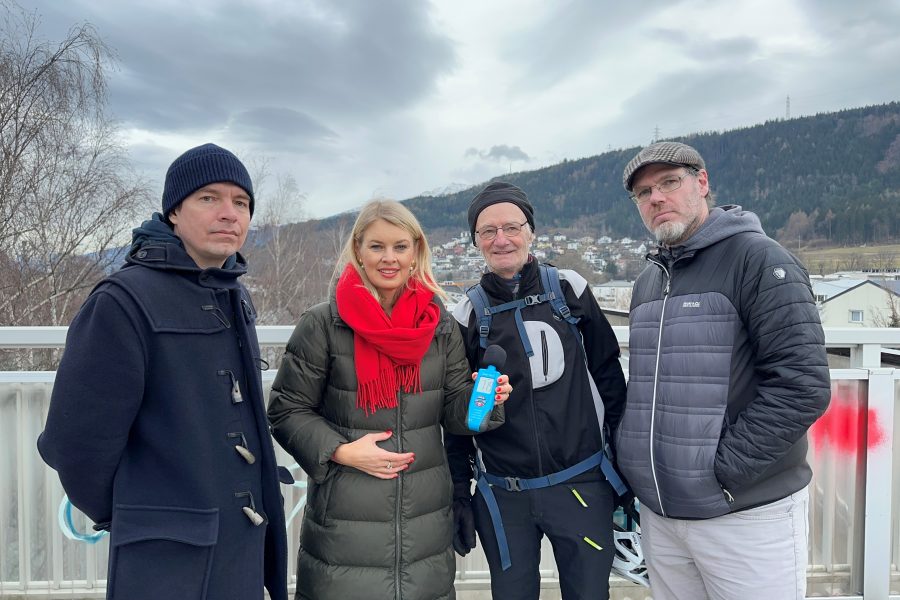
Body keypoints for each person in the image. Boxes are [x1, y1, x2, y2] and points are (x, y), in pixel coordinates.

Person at [37, 143, 288, 600]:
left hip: (239, 551)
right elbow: (74, 445)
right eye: (209, 198)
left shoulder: (234, 296)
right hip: (167, 566)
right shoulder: (122, 302)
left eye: (242, 202)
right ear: (174, 211)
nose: (230, 213)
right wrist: (144, 518)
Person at [267, 199, 512, 600]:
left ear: (416, 251)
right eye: (377, 246)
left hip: (424, 524)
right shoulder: (324, 324)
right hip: (345, 523)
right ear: (358, 251)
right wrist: (342, 451)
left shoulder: (438, 324)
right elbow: (286, 410)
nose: (389, 258)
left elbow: (454, 412)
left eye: (400, 246)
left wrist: (487, 401)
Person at [617, 141, 831, 599]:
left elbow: (802, 385)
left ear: (703, 182)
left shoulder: (759, 260)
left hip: (745, 514)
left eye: (669, 183)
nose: (656, 198)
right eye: (643, 192)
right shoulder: (649, 280)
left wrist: (720, 471)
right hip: (663, 515)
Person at [445, 182, 628, 600]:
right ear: (475, 241)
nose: (501, 239)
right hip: (504, 495)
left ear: (531, 231)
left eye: (511, 226)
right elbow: (456, 414)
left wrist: (625, 469)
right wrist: (458, 492)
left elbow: (610, 382)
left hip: (580, 483)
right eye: (487, 231)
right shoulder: (465, 315)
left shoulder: (570, 290)